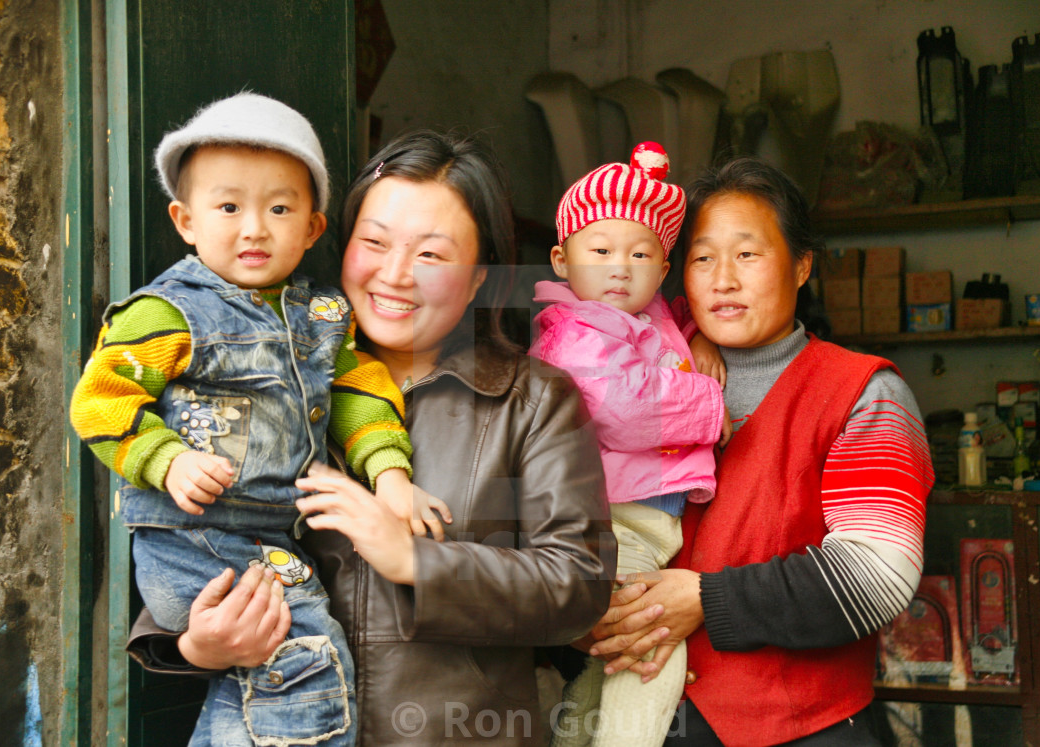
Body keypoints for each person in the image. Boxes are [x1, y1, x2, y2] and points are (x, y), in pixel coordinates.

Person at [125, 129, 616, 746]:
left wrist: (414, 559)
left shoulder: (533, 401)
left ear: (480, 279)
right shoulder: (247, 376)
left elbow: (578, 586)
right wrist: (197, 645)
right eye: (374, 242)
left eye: (432, 256)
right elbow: (192, 537)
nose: (395, 275)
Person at [70, 93, 444, 746]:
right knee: (307, 651)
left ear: (313, 228)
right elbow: (100, 401)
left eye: (279, 208)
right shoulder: (167, 311)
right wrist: (169, 458)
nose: (254, 228)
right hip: (196, 542)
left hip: (268, 539)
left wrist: (389, 474)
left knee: (263, 677)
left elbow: (358, 388)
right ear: (185, 220)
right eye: (228, 207)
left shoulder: (324, 312)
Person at [586, 157, 934, 746]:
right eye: (702, 257)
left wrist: (706, 599)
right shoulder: (616, 381)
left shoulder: (863, 393)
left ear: (802, 266)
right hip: (651, 722)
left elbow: (879, 574)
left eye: (747, 254)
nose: (723, 279)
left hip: (807, 730)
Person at [529, 142, 728, 747]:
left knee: (610, 658)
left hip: (642, 527)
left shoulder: (642, 316)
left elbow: (666, 334)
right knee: (651, 657)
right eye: (602, 250)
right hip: (609, 528)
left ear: (664, 269)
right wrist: (713, 405)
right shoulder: (575, 332)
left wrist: (701, 337)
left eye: (641, 253)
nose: (621, 267)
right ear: (563, 260)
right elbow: (627, 411)